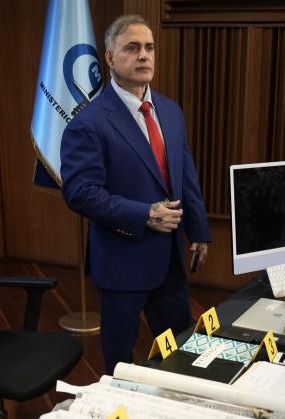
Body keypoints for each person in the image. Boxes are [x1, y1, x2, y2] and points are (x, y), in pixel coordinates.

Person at [61, 14, 210, 375]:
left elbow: (185, 176)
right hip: (122, 262)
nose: (144, 55)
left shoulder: (171, 111)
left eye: (149, 48)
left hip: (171, 260)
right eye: (132, 48)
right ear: (110, 58)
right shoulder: (88, 123)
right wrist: (145, 214)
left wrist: (200, 231)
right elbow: (80, 193)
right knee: (120, 366)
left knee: (180, 353)